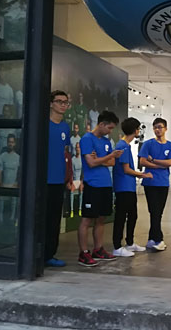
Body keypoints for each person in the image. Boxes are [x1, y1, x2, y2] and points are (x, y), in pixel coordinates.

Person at [77, 110, 123, 267]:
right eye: (109, 128)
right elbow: (90, 163)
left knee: (102, 218)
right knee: (87, 219)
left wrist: (100, 159)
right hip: (92, 184)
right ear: (102, 124)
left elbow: (112, 163)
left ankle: (98, 249)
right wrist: (108, 156)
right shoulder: (87, 139)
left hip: (106, 184)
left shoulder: (106, 142)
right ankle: (84, 252)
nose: (110, 131)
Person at [112, 117, 153, 257]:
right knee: (121, 217)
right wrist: (142, 175)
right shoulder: (122, 146)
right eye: (138, 129)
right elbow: (126, 169)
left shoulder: (126, 145)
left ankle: (130, 243)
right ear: (135, 130)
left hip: (128, 187)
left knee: (133, 215)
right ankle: (117, 246)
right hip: (123, 187)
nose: (139, 131)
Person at [138, 118, 171, 251]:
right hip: (150, 182)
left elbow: (170, 162)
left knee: (158, 212)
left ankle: (151, 239)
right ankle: (159, 239)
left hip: (163, 182)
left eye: (160, 127)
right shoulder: (148, 144)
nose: (157, 130)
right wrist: (161, 165)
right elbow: (143, 161)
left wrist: (153, 160)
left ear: (165, 128)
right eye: (155, 127)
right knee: (154, 211)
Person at [44, 90, 71, 267]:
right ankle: (36, 254)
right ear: (51, 103)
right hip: (42, 180)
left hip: (58, 181)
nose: (63, 105)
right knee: (41, 218)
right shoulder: (43, 125)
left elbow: (66, 153)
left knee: (54, 220)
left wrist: (68, 177)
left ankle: (49, 254)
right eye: (59, 101)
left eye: (65, 102)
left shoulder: (65, 127)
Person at [71, 142, 83, 217]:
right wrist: (72, 181)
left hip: (80, 180)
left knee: (81, 190)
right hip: (75, 180)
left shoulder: (82, 159)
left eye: (79, 147)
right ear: (75, 149)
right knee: (72, 191)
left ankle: (80, 209)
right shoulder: (73, 159)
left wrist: (82, 181)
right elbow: (72, 172)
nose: (78, 149)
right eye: (77, 147)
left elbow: (83, 172)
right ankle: (72, 210)